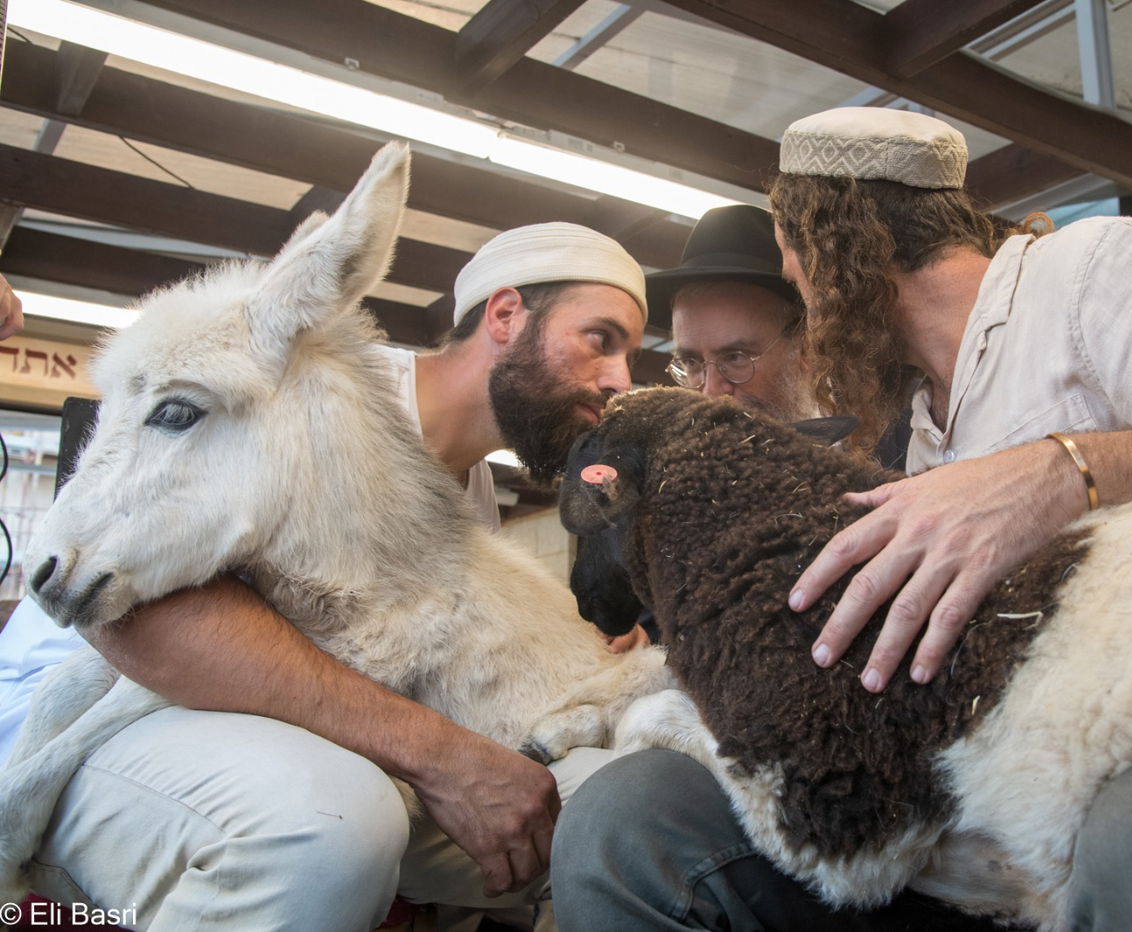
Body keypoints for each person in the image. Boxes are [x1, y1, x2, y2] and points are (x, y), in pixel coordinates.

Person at [551, 108, 1132, 930]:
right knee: (630, 818)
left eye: (790, 262)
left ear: (830, 242)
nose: (800, 292)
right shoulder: (911, 430)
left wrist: (1064, 473)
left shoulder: (1089, 273)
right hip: (975, 811)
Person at [0, 222, 650, 929]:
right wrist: (441, 755)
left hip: (236, 727)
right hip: (88, 705)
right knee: (329, 824)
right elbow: (140, 626)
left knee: (613, 810)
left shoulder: (469, 492)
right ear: (504, 315)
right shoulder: (307, 393)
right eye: (600, 338)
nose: (621, 380)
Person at [648, 204, 819, 423]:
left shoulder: (862, 450)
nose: (710, 393)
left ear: (805, 350)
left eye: (735, 358)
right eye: (691, 362)